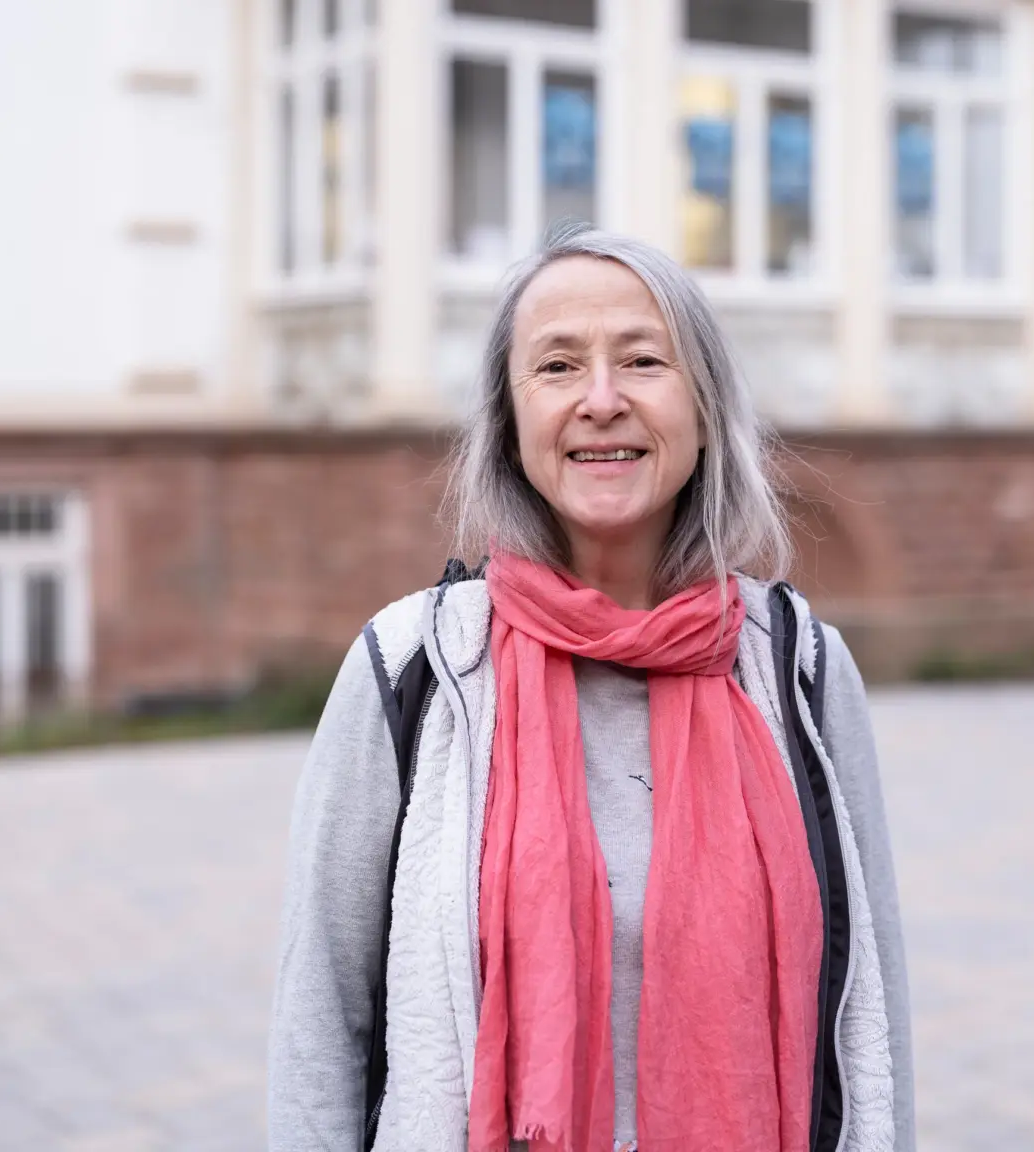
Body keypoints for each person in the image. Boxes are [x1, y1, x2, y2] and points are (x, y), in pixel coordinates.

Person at [267, 225, 913, 1152]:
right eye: (558, 367)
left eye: (643, 360)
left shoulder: (800, 670)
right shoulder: (413, 669)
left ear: (704, 408)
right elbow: (320, 1020)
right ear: (510, 418)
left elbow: (872, 1015)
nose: (600, 401)